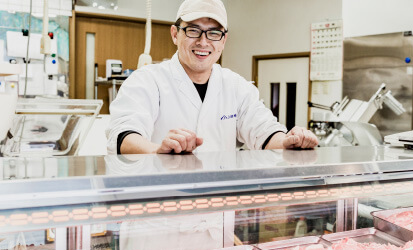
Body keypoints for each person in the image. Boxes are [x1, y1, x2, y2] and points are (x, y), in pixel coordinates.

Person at [107, 0, 318, 155]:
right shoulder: (146, 80)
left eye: (213, 33)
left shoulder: (236, 87)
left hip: (218, 207)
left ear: (224, 40)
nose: (203, 42)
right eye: (193, 30)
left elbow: (264, 132)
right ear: (174, 34)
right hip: (162, 206)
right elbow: (124, 135)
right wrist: (157, 151)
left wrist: (289, 141)